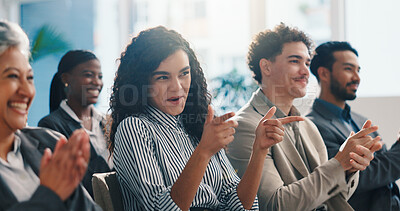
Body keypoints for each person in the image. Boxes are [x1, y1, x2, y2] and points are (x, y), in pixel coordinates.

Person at [107, 26, 302, 211]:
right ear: (141, 82)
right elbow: (161, 207)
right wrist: (203, 151)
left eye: (184, 74)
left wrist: (259, 150)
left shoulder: (197, 125)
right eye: (163, 77)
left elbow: (237, 205)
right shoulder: (134, 128)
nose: (177, 87)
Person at [226, 23, 382, 211]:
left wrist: (347, 168)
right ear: (266, 67)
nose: (306, 71)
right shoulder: (244, 126)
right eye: (295, 61)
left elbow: (329, 200)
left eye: (307, 63)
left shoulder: (308, 126)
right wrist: (337, 164)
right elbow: (274, 205)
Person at [0, 20, 100, 210]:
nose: (27, 91)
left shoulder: (50, 142)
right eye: (13, 76)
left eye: (29, 78)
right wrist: (51, 194)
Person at [306, 41, 400, 211]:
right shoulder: (312, 126)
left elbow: (383, 171)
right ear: (324, 74)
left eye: (358, 70)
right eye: (349, 69)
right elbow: (359, 177)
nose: (357, 78)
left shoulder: (360, 120)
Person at [38, 50, 111, 197]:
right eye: (88, 75)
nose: (97, 82)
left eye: (100, 76)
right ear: (66, 78)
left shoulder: (108, 122)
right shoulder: (51, 125)